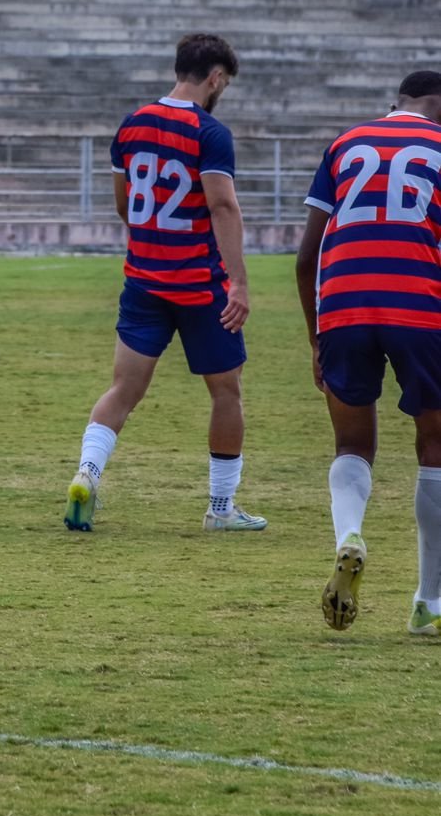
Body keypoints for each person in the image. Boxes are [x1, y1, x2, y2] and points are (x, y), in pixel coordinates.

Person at [64, 33, 266, 534]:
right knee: (226, 393)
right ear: (215, 77)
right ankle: (221, 509)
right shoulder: (209, 132)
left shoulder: (132, 125)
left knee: (123, 390)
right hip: (201, 287)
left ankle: (87, 474)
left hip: (143, 281)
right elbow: (221, 205)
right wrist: (238, 282)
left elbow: (123, 203)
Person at [295, 70, 441, 635]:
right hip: (420, 311)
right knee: (434, 446)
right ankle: (428, 603)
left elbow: (307, 257)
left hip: (343, 308)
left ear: (395, 105)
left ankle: (349, 536)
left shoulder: (346, 144)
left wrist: (315, 337)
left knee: (352, 444)